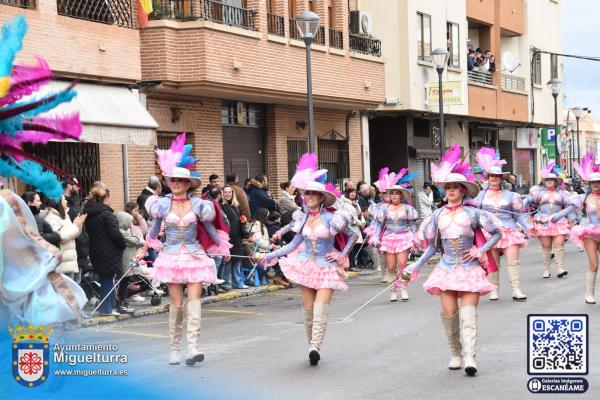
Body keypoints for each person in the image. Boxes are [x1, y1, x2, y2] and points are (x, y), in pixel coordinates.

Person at [402, 143, 502, 376]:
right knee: (449, 314)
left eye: (456, 187)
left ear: (463, 191)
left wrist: (481, 250)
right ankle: (456, 353)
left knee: (468, 316)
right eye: (448, 187)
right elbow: (433, 248)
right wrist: (413, 266)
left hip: (469, 269)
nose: (451, 191)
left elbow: (496, 233)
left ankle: (470, 357)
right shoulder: (437, 216)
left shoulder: (475, 213)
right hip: (446, 269)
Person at [257, 153, 358, 366]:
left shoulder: (333, 217)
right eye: (307, 193)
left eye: (313, 193)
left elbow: (354, 235)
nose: (309, 196)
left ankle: (315, 347)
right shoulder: (301, 218)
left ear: (321, 197)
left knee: (321, 308)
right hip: (305, 265)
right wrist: (267, 256)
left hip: (326, 267)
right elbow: (292, 245)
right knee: (309, 310)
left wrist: (341, 254)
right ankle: (311, 345)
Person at [143, 133, 231, 366]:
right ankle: (174, 349)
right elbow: (154, 231)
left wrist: (221, 246)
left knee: (194, 302)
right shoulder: (161, 204)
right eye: (172, 180)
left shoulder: (199, 205)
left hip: (194, 255)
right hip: (171, 256)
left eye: (180, 180)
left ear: (188, 183)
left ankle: (192, 348)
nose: (175, 183)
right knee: (177, 304)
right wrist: (144, 249)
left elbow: (210, 228)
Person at [474, 148, 529, 301]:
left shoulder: (511, 195)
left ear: (501, 178)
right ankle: (494, 290)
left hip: (509, 231)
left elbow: (518, 215)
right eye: (491, 176)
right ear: (488, 177)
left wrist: (527, 227)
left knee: (513, 261)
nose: (494, 178)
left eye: (497, 176)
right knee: (493, 263)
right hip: (489, 233)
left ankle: (516, 290)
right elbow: (474, 214)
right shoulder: (480, 195)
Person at [370, 168, 418, 301]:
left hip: (403, 237)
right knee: (391, 266)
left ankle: (403, 288)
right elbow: (379, 225)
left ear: (401, 195)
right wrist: (375, 236)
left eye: (397, 193)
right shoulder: (384, 209)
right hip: (389, 238)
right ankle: (392, 290)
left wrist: (415, 237)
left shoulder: (408, 209)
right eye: (392, 194)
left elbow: (412, 225)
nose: (394, 196)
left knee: (402, 264)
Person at [524, 162, 574, 279]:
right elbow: (527, 201)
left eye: (552, 179)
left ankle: (560, 268)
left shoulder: (563, 193)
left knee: (559, 245)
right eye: (547, 179)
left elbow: (569, 208)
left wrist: (573, 220)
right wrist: (520, 205)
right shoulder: (538, 193)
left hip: (559, 221)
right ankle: (546, 269)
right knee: (546, 247)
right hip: (543, 221)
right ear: (544, 181)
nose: (549, 181)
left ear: (556, 181)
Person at [84, 187, 126, 316]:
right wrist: (122, 244)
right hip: (109, 252)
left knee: (105, 279)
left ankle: (108, 307)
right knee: (108, 279)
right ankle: (107, 309)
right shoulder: (108, 214)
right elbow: (115, 235)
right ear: (106, 199)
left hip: (95, 250)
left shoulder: (89, 214)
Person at [570, 152, 600, 303]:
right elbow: (568, 210)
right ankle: (589, 294)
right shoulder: (584, 198)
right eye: (593, 182)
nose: (596, 184)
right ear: (589, 184)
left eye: (599, 182)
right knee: (594, 264)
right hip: (591, 232)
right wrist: (553, 217)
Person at [43, 194, 86, 280]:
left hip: (70, 260)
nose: (66, 201)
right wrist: (75, 226)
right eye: (64, 199)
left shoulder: (64, 215)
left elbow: (73, 234)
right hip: (62, 262)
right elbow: (61, 237)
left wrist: (78, 225)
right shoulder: (51, 217)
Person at [115, 211, 145, 314]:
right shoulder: (121, 232)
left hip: (129, 260)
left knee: (126, 281)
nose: (130, 223)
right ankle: (121, 303)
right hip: (125, 261)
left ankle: (122, 301)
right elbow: (137, 241)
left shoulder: (124, 231)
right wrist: (133, 230)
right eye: (129, 221)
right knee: (123, 282)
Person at [221, 185, 249, 289]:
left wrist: (243, 220)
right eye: (226, 192)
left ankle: (238, 282)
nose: (228, 194)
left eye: (230, 192)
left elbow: (237, 221)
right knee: (228, 261)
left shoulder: (236, 206)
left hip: (237, 237)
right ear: (222, 194)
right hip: (227, 237)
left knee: (237, 260)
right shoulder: (222, 206)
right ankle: (227, 283)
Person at [340, 187, 365, 271]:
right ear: (348, 194)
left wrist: (362, 222)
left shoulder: (356, 203)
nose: (353, 194)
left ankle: (353, 264)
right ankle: (351, 265)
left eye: (354, 192)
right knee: (351, 247)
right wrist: (359, 223)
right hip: (350, 227)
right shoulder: (345, 203)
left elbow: (359, 214)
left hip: (356, 227)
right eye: (351, 192)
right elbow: (350, 216)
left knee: (356, 246)